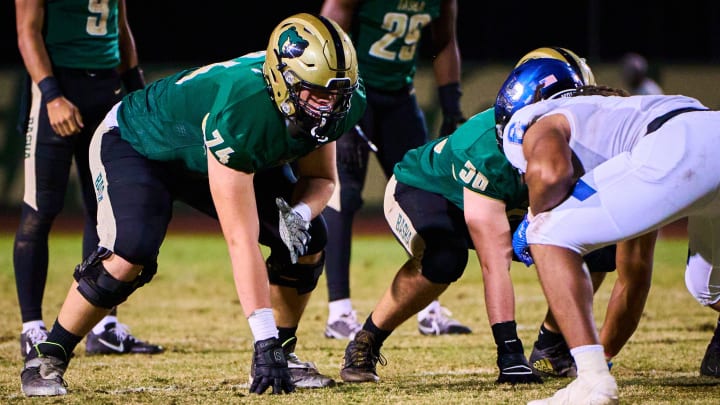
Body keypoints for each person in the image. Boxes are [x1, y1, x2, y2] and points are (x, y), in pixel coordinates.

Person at [19, 12, 366, 396]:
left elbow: (320, 179)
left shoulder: (339, 99)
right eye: (317, 93)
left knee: (308, 239)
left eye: (336, 93)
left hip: (211, 153)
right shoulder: (243, 107)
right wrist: (260, 339)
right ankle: (48, 355)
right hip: (141, 144)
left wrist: (298, 216)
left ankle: (283, 353)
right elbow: (241, 239)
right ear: (283, 81)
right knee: (130, 252)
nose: (328, 105)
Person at [338, 48, 620, 385]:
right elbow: (494, 261)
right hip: (427, 188)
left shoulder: (582, 139)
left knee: (596, 247)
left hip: (503, 201)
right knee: (444, 259)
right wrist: (509, 354)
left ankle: (550, 347)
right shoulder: (486, 148)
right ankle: (367, 340)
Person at [497, 58, 720, 403]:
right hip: (703, 130)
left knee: (547, 232)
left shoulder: (536, 118)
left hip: (679, 148)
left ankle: (592, 384)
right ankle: (595, 374)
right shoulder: (624, 125)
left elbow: (550, 174)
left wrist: (532, 218)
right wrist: (604, 356)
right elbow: (634, 277)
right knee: (707, 285)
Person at [14, 0, 162, 358]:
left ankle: (103, 325)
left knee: (105, 210)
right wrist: (51, 95)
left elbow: (119, 26)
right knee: (41, 208)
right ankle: (32, 327)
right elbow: (27, 30)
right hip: (59, 84)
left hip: (106, 88)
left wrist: (135, 86)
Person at [319, 0, 470, 341]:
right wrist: (337, 102)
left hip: (401, 97)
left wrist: (451, 103)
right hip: (353, 93)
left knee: (427, 190)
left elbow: (444, 41)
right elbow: (326, 36)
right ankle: (339, 312)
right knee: (344, 194)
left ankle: (428, 308)